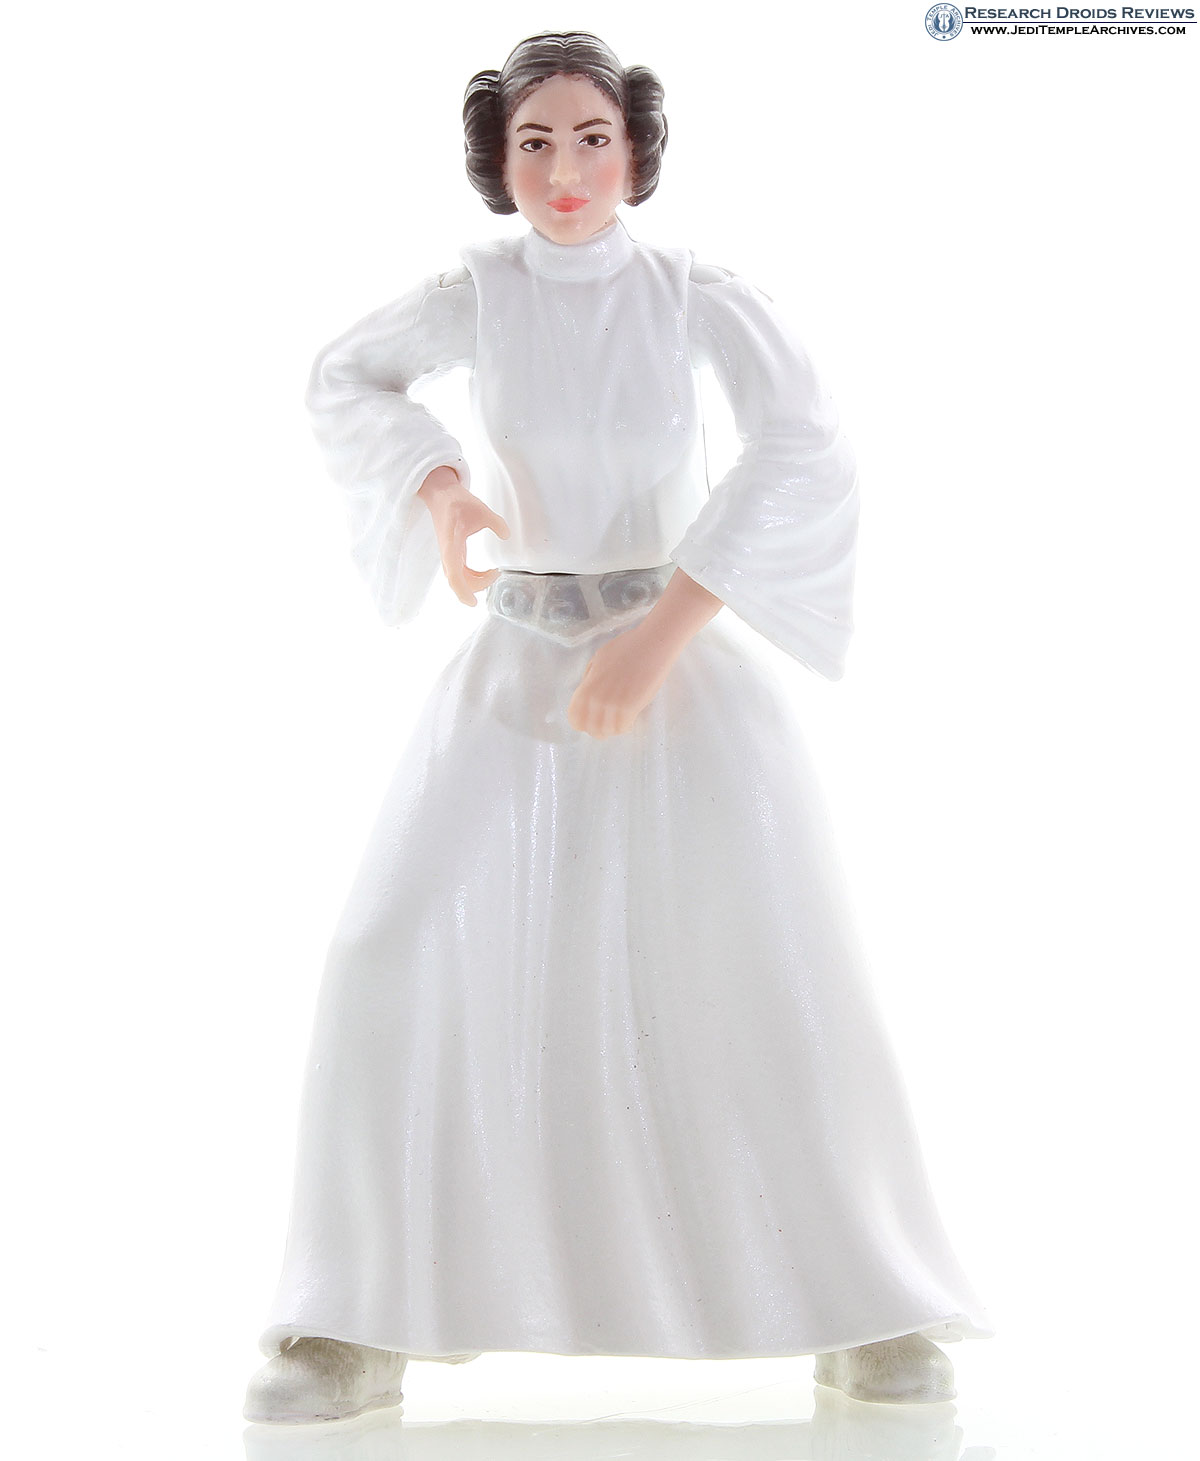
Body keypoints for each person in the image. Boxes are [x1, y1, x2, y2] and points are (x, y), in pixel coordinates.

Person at [244, 31, 990, 1426]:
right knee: (392, 945)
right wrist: (441, 489)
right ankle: (353, 1308)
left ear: (638, 152)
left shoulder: (694, 295)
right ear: (497, 162)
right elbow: (345, 376)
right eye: (534, 142)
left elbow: (801, 439)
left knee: (758, 957)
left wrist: (664, 629)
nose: (566, 169)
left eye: (592, 138)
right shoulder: (475, 295)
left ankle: (862, 1298)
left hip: (674, 670)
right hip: (517, 665)